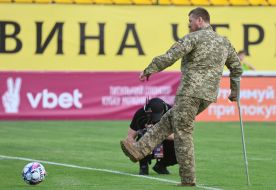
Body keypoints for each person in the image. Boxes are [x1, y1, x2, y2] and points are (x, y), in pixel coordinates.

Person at [120, 7, 243, 187]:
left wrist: (150, 69)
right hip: (208, 95)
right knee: (168, 120)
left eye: (190, 21)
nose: (189, 25)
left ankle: (188, 180)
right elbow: (237, 67)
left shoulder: (193, 38)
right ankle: (139, 149)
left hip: (189, 92)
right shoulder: (224, 42)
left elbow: (171, 56)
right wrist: (234, 91)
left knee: (183, 133)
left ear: (200, 20)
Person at [127, 98, 177, 175]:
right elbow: (130, 136)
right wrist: (133, 148)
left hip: (165, 143)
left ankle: (161, 165)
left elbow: (177, 136)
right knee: (142, 135)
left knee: (182, 146)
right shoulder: (140, 113)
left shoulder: (172, 113)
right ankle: (143, 166)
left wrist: (155, 132)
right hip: (148, 145)